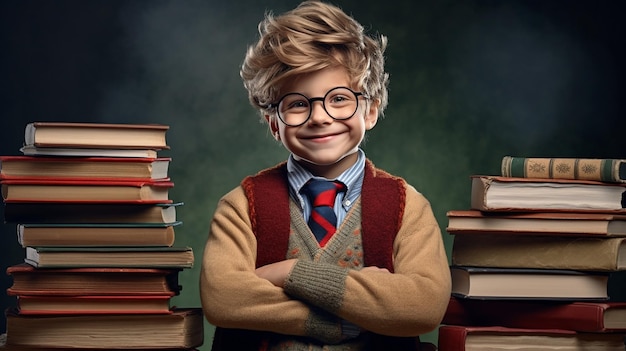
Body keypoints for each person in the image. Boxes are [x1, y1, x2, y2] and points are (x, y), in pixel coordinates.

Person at [200, 1, 451, 350]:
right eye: (298, 103)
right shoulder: (242, 206)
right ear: (275, 123)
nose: (319, 117)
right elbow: (223, 298)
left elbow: (422, 306)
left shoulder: (406, 206)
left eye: (338, 99)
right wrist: (343, 317)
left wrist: (288, 272)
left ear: (371, 110)